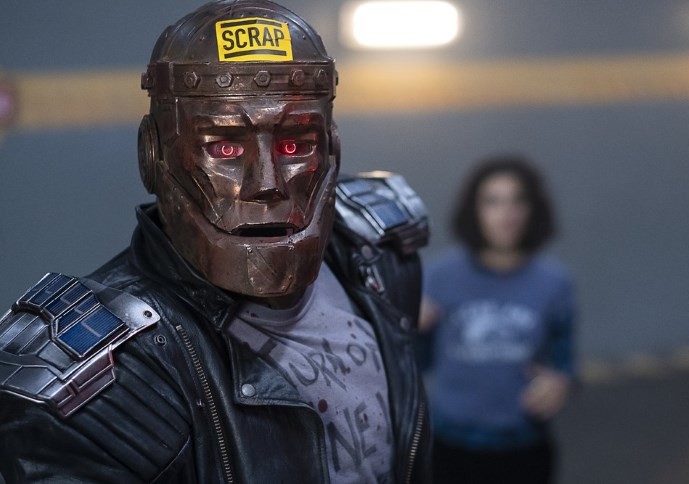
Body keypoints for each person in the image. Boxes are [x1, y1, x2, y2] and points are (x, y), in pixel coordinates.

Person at [0, 2, 432, 482]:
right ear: (153, 155)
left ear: (333, 147)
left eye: (294, 145)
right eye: (225, 147)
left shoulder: (377, 252)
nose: (266, 184)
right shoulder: (103, 373)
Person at [419, 155, 576, 484]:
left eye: (517, 201)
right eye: (493, 202)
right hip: (451, 444)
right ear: (474, 210)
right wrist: (410, 329)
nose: (507, 215)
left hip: (524, 445)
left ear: (533, 210)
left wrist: (560, 384)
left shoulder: (554, 282)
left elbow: (565, 363)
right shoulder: (440, 276)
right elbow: (420, 363)